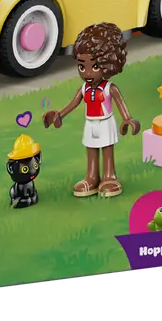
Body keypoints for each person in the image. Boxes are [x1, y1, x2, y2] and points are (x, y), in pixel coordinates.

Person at [42, 22, 140, 198]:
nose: (87, 73)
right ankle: (92, 177)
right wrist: (59, 115)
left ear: (108, 64)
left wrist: (128, 119)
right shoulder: (84, 89)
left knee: (107, 148)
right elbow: (73, 103)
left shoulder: (109, 88)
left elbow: (120, 104)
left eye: (94, 67)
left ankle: (109, 176)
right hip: (90, 123)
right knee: (91, 149)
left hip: (105, 122)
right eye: (82, 67)